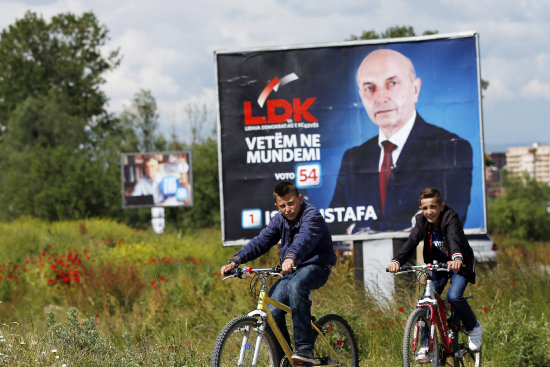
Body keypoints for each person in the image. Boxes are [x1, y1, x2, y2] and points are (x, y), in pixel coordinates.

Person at [330, 48, 473, 233]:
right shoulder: (353, 158)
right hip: (364, 262)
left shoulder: (451, 148)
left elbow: (448, 219)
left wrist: (360, 229)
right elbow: (333, 225)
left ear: (415, 89)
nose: (380, 98)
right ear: (361, 96)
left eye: (392, 83)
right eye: (369, 88)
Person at [220, 181, 337, 365]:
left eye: (291, 203)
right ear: (277, 206)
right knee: (272, 310)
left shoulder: (311, 215)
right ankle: (285, 358)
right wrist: (237, 259)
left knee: (297, 286)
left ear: (299, 199)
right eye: (282, 206)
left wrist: (291, 257)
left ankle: (305, 350)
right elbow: (262, 241)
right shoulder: (279, 219)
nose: (288, 209)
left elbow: (304, 239)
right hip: (292, 269)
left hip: (317, 265)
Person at [387, 187, 482, 361]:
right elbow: (412, 241)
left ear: (441, 206)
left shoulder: (450, 217)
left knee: (454, 296)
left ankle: (473, 327)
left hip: (460, 264)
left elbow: (453, 238)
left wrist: (456, 257)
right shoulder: (421, 221)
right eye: (424, 208)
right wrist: (397, 260)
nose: (429, 212)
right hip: (437, 265)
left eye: (432, 207)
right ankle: (425, 345)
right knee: (425, 303)